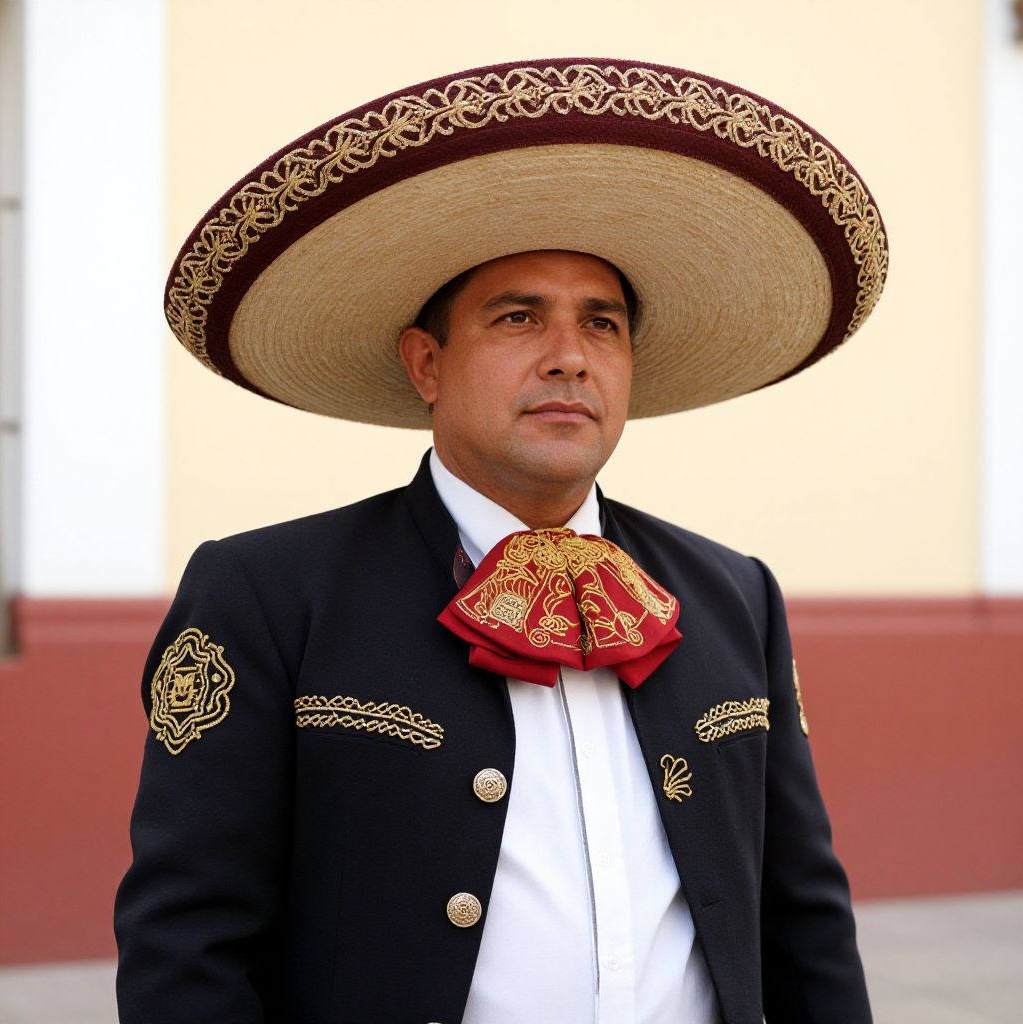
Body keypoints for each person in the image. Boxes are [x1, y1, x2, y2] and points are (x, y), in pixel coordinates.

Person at [115, 58, 887, 1023]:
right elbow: (186, 946)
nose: (569, 354)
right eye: (519, 317)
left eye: (600, 324)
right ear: (427, 363)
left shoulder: (736, 593)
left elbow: (805, 922)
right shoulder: (269, 591)